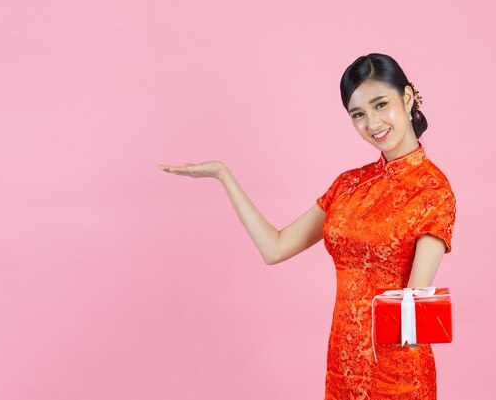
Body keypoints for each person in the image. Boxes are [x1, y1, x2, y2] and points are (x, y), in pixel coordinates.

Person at [158, 52, 456, 399]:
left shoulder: (433, 190)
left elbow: (415, 307)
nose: (372, 123)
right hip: (341, 365)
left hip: (398, 373)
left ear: (406, 98)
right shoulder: (348, 185)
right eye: (358, 114)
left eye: (380, 105)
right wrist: (223, 175)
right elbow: (276, 247)